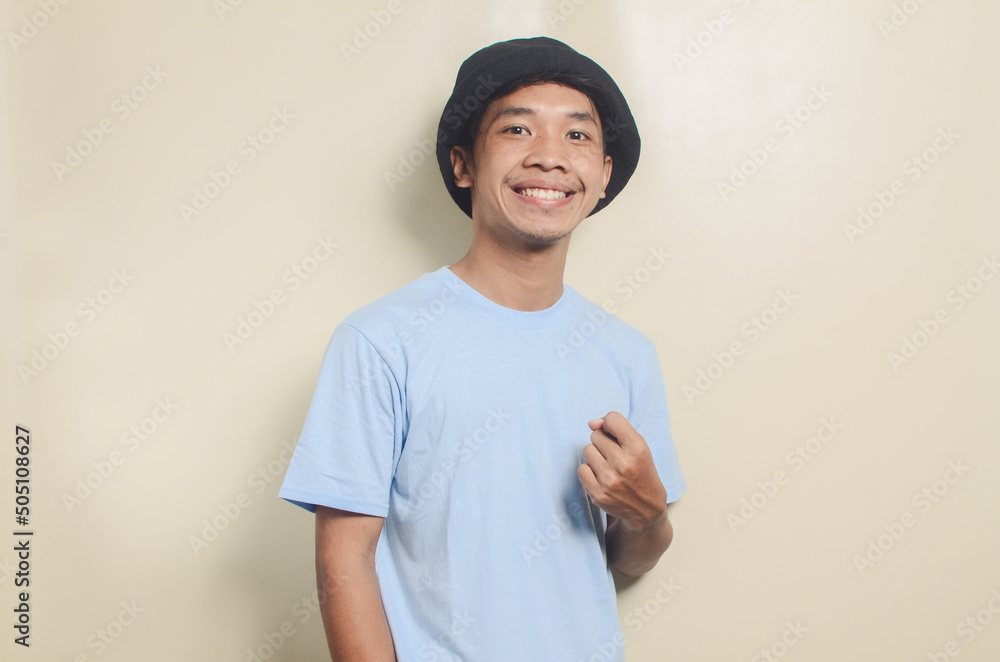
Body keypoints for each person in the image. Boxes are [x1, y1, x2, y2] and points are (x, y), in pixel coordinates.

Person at [279, 36, 686, 661]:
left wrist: (649, 514)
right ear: (463, 164)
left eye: (577, 136)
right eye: (518, 129)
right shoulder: (380, 341)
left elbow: (632, 557)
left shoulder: (627, 354)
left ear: (603, 176)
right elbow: (343, 564)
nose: (550, 157)